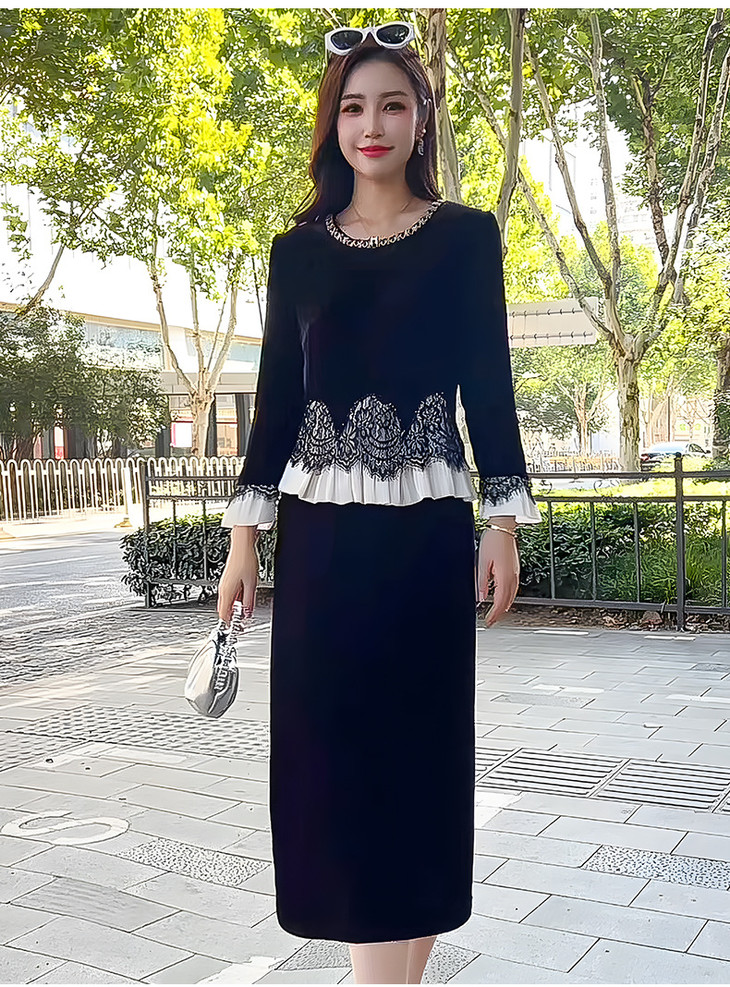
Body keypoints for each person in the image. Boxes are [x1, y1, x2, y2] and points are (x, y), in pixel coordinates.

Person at [217, 21, 541, 986]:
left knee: (418, 758)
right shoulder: (297, 254)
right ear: (334, 124)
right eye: (354, 106)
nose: (372, 124)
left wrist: (502, 522)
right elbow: (276, 405)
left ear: (421, 120)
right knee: (339, 758)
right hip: (323, 546)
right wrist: (243, 540)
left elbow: (490, 386)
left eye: (393, 105)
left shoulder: (466, 238)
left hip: (426, 538)